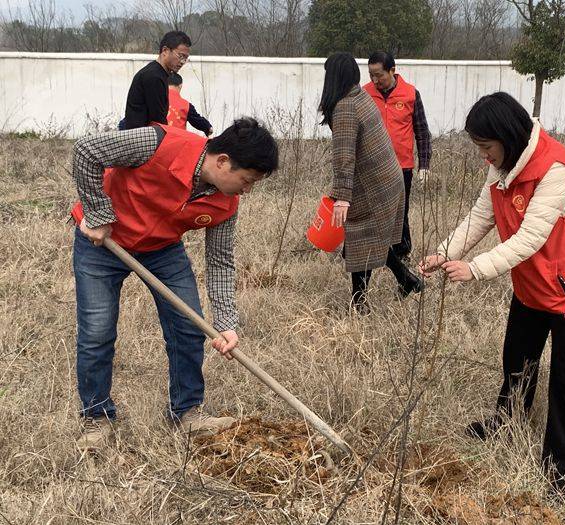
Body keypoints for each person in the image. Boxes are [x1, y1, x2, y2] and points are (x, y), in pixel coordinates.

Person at [419, 92, 565, 499]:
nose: (483, 156)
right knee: (517, 357)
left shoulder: (556, 169)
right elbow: (482, 215)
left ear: (508, 136)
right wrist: (445, 253)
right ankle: (508, 420)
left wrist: (475, 269)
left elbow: (530, 237)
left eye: (486, 146)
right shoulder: (502, 166)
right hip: (532, 282)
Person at [70, 118, 279, 452]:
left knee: (188, 326)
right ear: (222, 161)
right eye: (246, 180)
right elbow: (87, 150)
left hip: (162, 250)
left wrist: (225, 324)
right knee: (97, 331)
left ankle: (187, 412)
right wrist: (97, 213)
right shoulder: (157, 143)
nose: (246, 190)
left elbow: (220, 262)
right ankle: (97, 417)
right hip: (102, 242)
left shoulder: (226, 203)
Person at [319, 52, 423, 313]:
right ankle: (407, 280)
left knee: (359, 236)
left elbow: (344, 156)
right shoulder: (360, 96)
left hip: (374, 184)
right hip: (388, 179)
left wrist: (342, 197)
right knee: (372, 236)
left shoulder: (345, 106)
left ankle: (360, 303)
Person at [364, 51, 432, 261]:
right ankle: (371, 252)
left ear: (392, 70)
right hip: (372, 166)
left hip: (401, 166)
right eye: (371, 75)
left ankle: (401, 254)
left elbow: (421, 131)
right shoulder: (364, 94)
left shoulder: (410, 94)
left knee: (399, 213)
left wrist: (425, 165)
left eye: (379, 75)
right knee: (370, 211)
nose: (375, 80)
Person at [122, 31, 192, 130]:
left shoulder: (158, 73)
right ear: (165, 50)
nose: (182, 62)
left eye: (185, 58)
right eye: (180, 56)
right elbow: (158, 121)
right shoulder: (154, 76)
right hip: (143, 139)